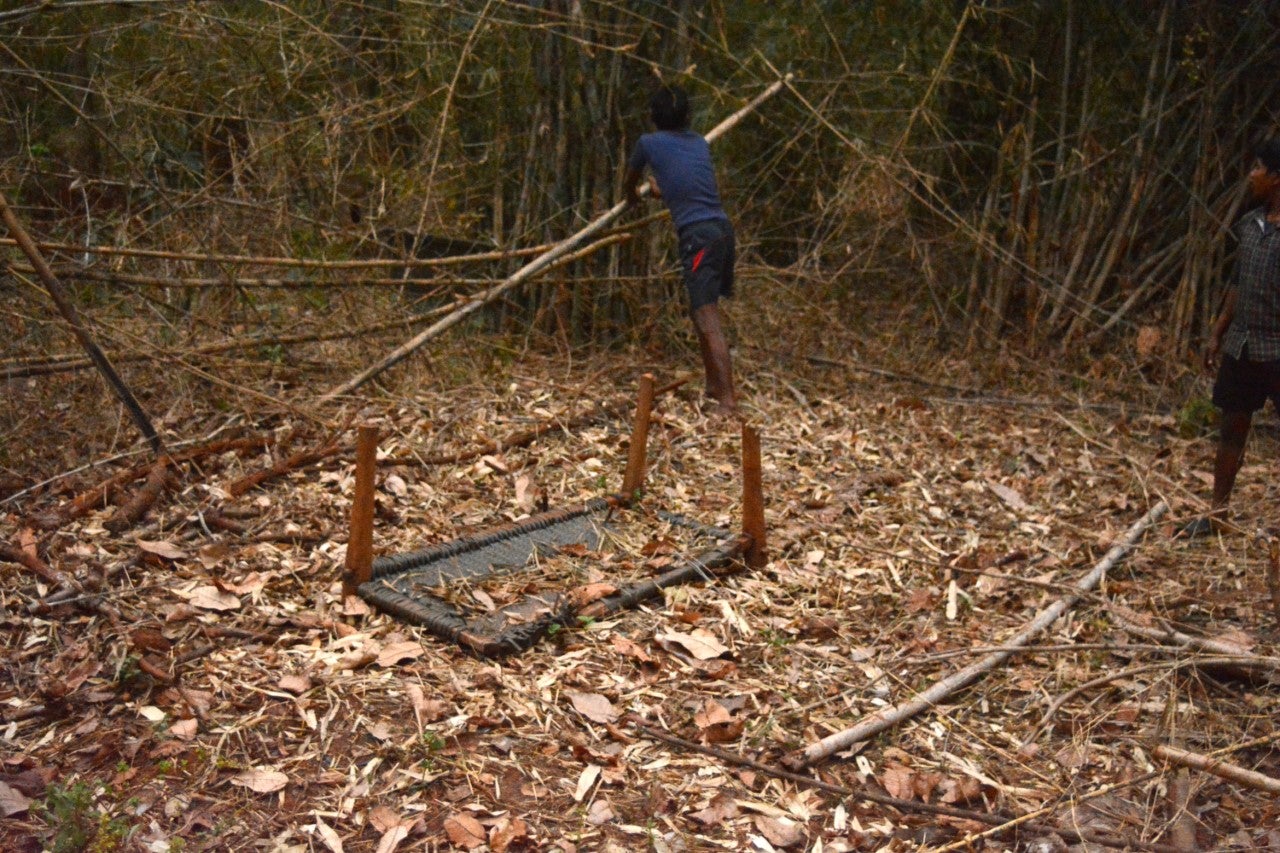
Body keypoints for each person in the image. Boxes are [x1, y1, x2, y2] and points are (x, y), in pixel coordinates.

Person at [1185, 138, 1280, 536]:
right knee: (1231, 430)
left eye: (1257, 168)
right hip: (1242, 344)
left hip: (1277, 349)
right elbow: (1237, 284)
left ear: (1276, 178)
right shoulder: (1250, 224)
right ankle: (1218, 514)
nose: (1251, 176)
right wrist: (1217, 333)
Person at [624, 85, 738, 416]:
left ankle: (728, 401)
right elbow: (686, 182)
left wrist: (633, 195)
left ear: (652, 117)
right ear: (688, 116)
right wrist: (662, 189)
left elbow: (630, 181)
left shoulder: (648, 143)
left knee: (706, 316)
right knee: (702, 309)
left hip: (698, 236)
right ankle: (715, 387)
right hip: (721, 230)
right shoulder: (699, 142)